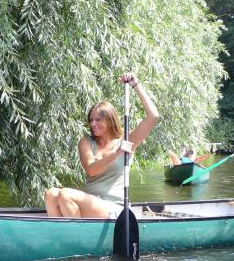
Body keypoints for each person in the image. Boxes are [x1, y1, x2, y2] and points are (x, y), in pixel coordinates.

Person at [44, 72, 159, 218]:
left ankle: (77, 231)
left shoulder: (127, 140)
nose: (93, 124)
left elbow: (153, 117)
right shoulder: (86, 142)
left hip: (115, 207)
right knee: (51, 194)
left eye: (98, 120)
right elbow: (91, 169)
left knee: (66, 194)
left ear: (110, 120)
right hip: (91, 203)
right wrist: (116, 153)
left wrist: (136, 85)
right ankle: (67, 231)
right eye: (91, 120)